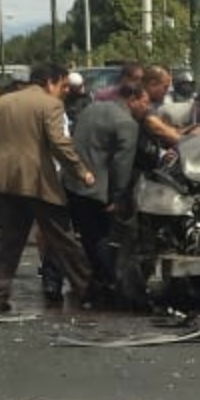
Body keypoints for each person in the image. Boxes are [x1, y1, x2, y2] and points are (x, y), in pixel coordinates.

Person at [0, 62, 94, 313]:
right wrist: (81, 171)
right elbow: (58, 143)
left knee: (8, 243)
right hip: (36, 181)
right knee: (63, 238)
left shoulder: (3, 103)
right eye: (63, 86)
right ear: (49, 82)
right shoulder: (50, 105)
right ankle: (87, 289)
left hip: (3, 182)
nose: (65, 91)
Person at [65, 81, 140, 299]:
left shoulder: (91, 108)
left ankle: (94, 282)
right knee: (104, 238)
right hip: (99, 189)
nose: (146, 108)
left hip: (74, 183)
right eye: (144, 102)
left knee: (86, 237)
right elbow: (121, 164)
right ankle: (111, 283)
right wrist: (117, 196)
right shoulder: (127, 123)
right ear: (133, 99)